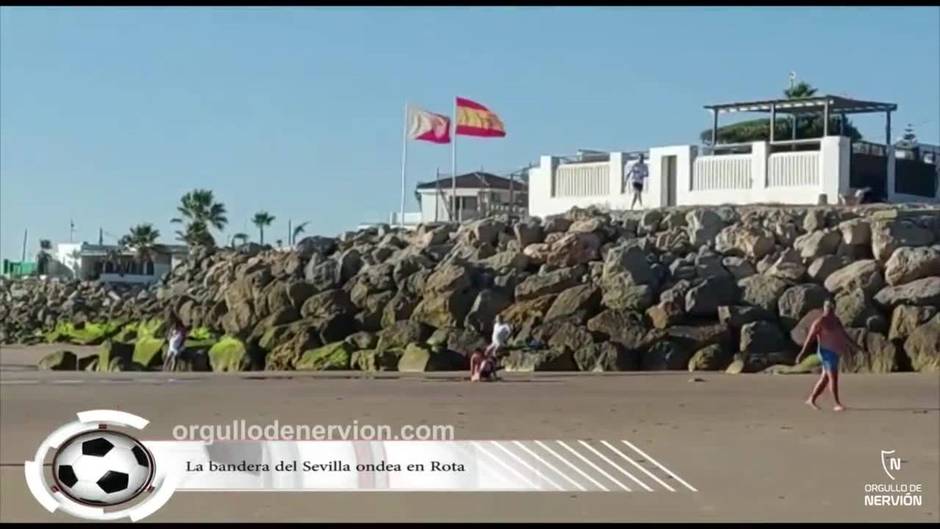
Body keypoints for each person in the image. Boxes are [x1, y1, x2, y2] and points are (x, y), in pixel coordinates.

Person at [795, 300, 864, 411]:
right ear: (824, 307)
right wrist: (802, 354)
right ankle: (837, 404)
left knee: (825, 378)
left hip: (835, 353)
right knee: (833, 377)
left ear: (834, 308)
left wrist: (856, 347)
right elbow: (809, 339)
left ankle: (811, 399)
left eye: (831, 307)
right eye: (827, 306)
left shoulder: (836, 321)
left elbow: (844, 335)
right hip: (825, 352)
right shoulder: (819, 322)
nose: (829, 309)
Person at [471, 316, 512, 382]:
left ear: (502, 319)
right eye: (497, 319)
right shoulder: (496, 325)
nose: (498, 320)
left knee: (494, 353)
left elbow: (510, 331)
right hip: (493, 342)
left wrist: (506, 338)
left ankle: (496, 364)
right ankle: (488, 366)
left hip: (500, 343)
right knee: (486, 351)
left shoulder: (505, 326)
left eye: (500, 319)